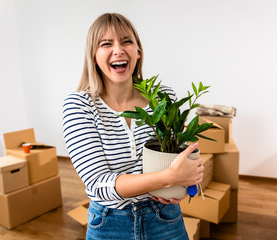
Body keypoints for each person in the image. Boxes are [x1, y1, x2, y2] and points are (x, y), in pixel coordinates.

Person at [62, 13, 204, 240]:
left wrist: (188, 183)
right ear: (94, 56)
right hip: (109, 223)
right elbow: (99, 184)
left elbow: (178, 155)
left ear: (138, 51)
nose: (118, 50)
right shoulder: (79, 105)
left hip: (164, 218)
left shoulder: (162, 96)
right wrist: (169, 177)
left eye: (126, 41)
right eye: (106, 44)